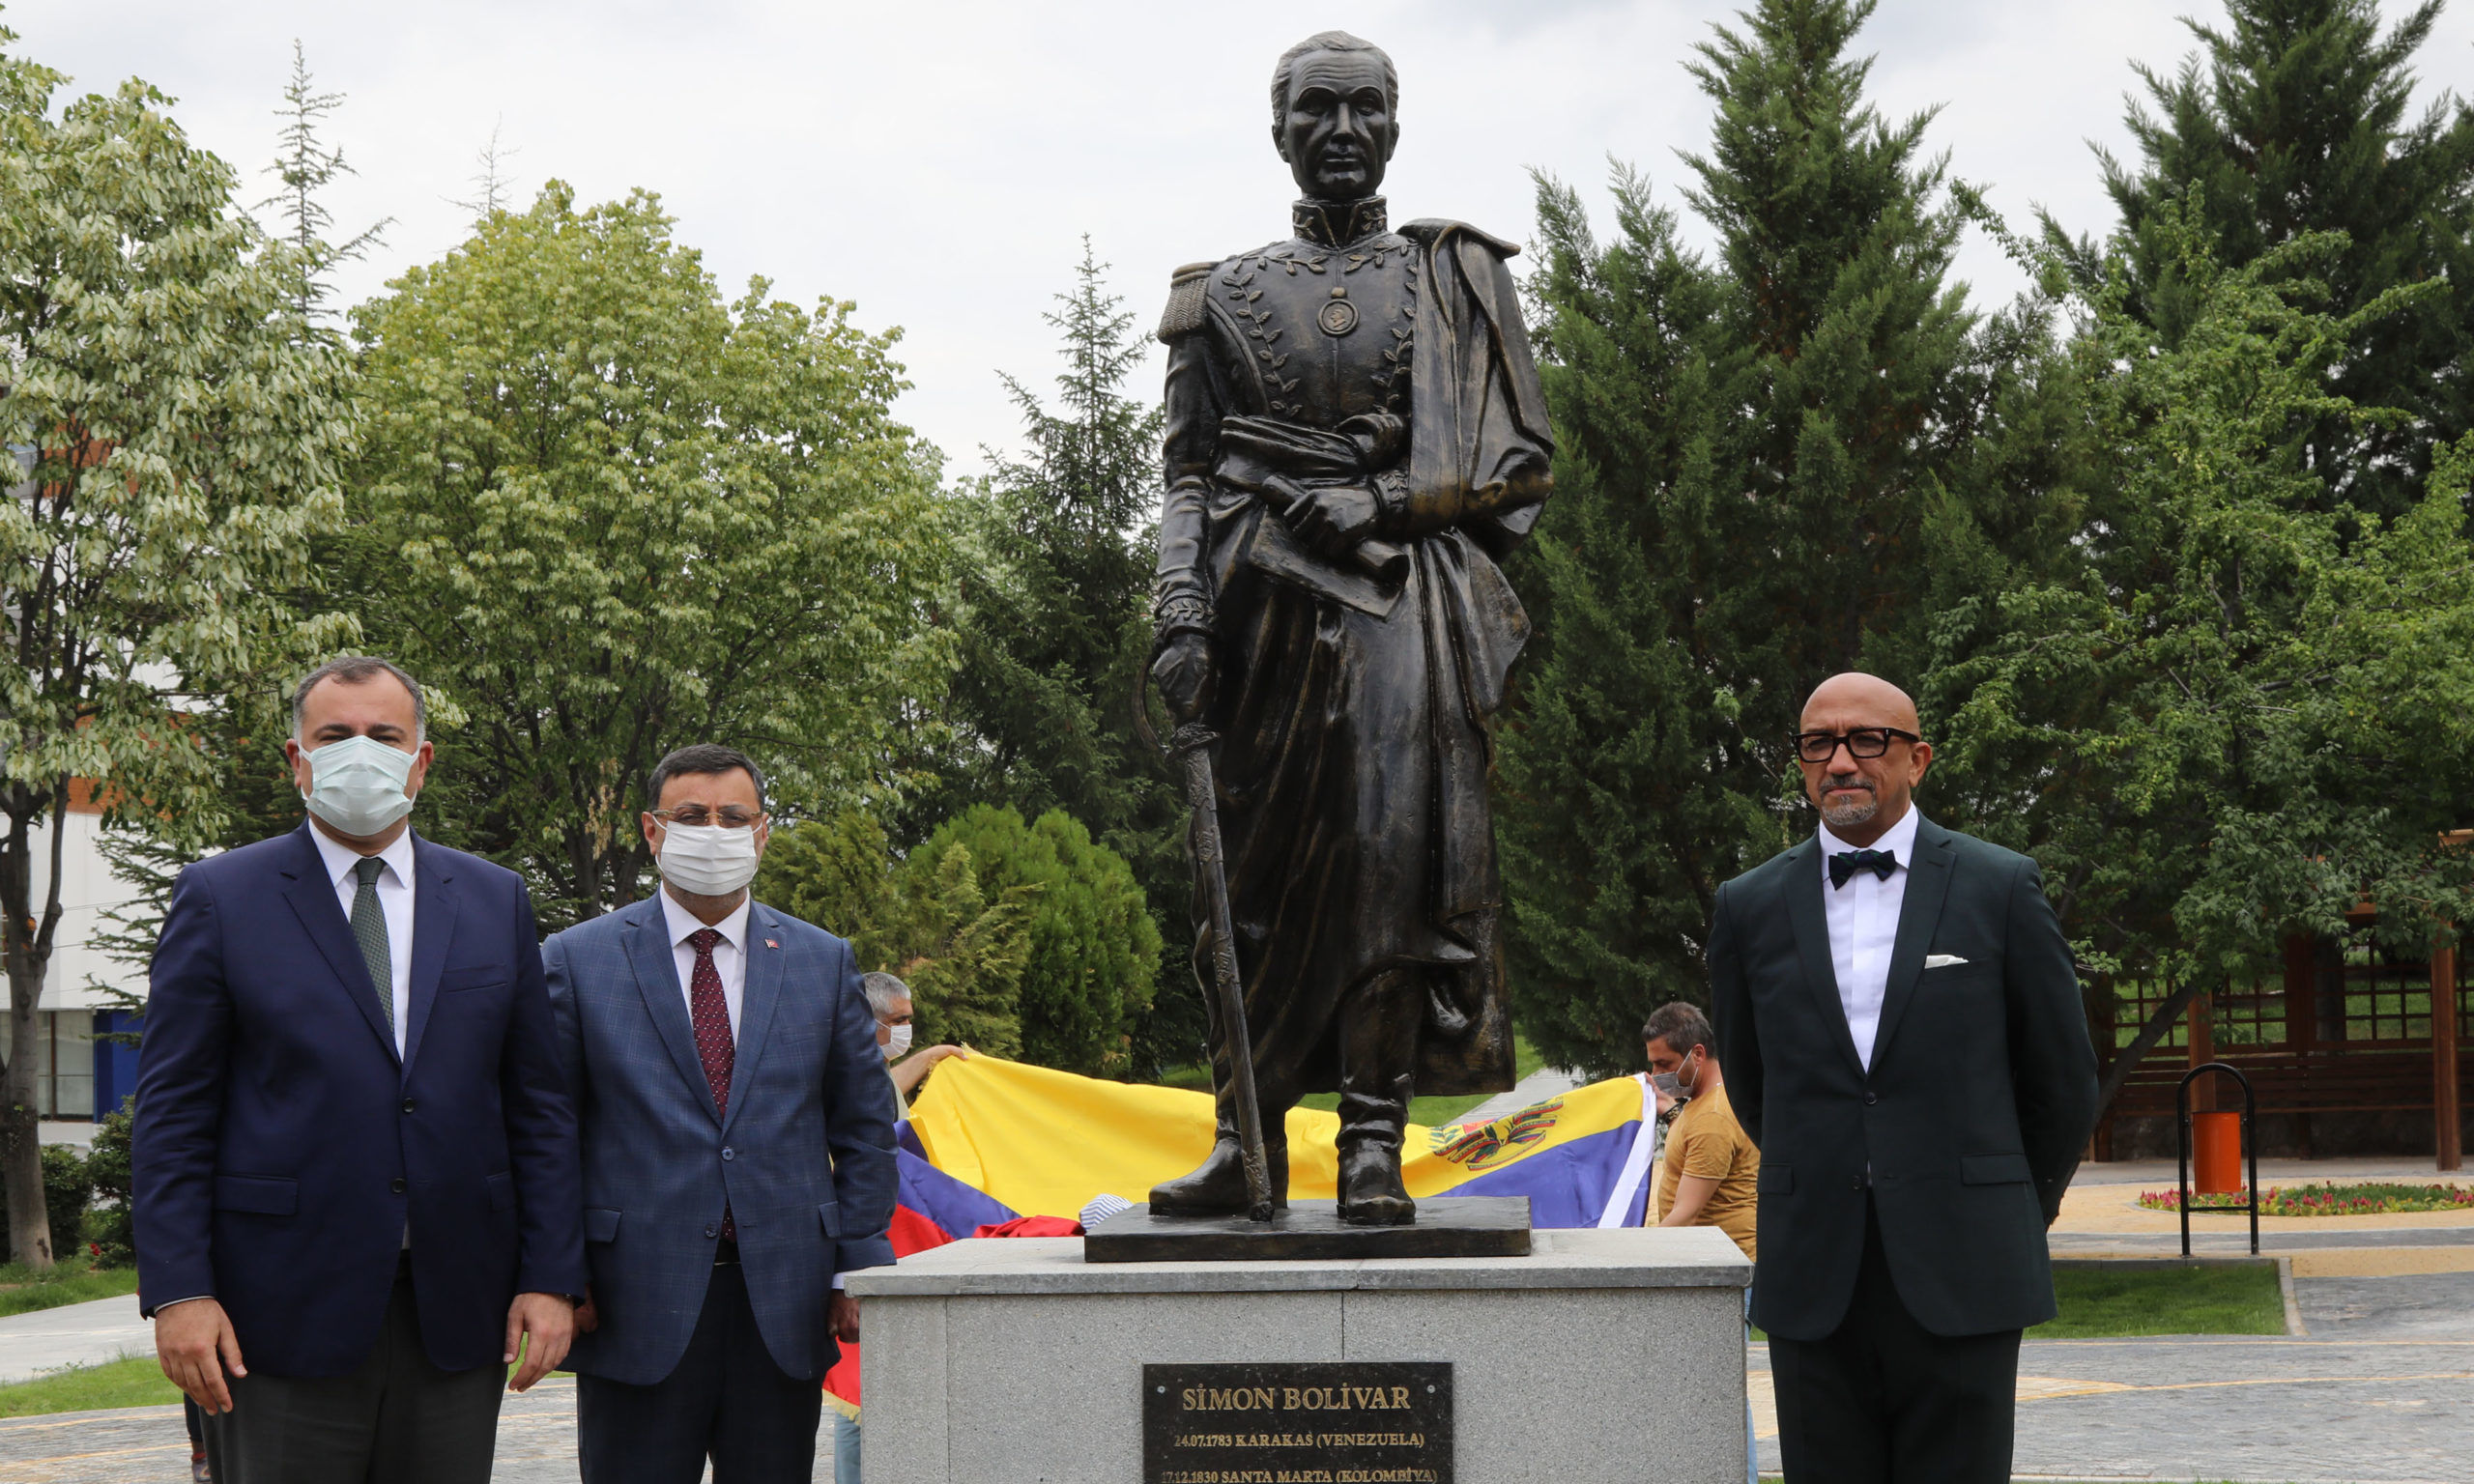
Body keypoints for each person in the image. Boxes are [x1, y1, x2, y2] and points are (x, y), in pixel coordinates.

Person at [1145, 30, 1554, 1224]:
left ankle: (1374, 1142)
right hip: (1251, 601)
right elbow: (1184, 472)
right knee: (1247, 886)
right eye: (1315, 109)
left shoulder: (1454, 277)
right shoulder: (1214, 294)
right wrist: (1181, 611)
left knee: (1388, 865)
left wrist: (1382, 500)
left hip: (1398, 602)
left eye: (1364, 108)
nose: (1340, 130)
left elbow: (1520, 464)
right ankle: (1245, 1141)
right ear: (1277, 130)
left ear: (1394, 126)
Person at [133, 656, 585, 1484]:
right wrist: (178, 1291)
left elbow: (538, 1107)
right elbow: (173, 1113)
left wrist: (553, 1277)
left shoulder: (494, 898)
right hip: (274, 1314)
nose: (361, 753)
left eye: (385, 735)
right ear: (297, 759)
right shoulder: (222, 896)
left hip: (457, 1306)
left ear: (422, 759)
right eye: (336, 735)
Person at [1709, 672, 2099, 1484]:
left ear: (1917, 759)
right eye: (1818, 744)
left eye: (1867, 740)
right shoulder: (1747, 905)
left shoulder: (2000, 885)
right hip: (1814, 1269)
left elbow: (2061, 1082)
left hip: (1967, 1262)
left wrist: (2012, 1205)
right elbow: (1751, 1083)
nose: (1840, 762)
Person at [545, 743, 899, 1484]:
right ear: (652, 831)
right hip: (631, 1302)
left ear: (762, 832)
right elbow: (549, 1133)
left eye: (733, 817)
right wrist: (557, 1274)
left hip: (786, 1300)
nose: (714, 831)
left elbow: (864, 1128)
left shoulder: (821, 960)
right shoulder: (578, 960)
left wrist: (858, 1263)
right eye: (692, 815)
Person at [1644, 1003, 1758, 1259]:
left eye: (1664, 1064)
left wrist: (1639, 1255)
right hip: (1710, 1259)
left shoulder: (1713, 1117)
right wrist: (1669, 1110)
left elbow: (1686, 1214)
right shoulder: (1707, 1100)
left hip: (1723, 1269)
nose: (1656, 1074)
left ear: (1697, 1054)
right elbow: (1691, 1141)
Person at [863, 970, 969, 1112]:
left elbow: (885, 1089)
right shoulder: (849, 1080)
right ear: (868, 1023)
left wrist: (932, 1055)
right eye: (899, 1020)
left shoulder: (875, 1070)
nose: (907, 1027)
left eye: (908, 1019)